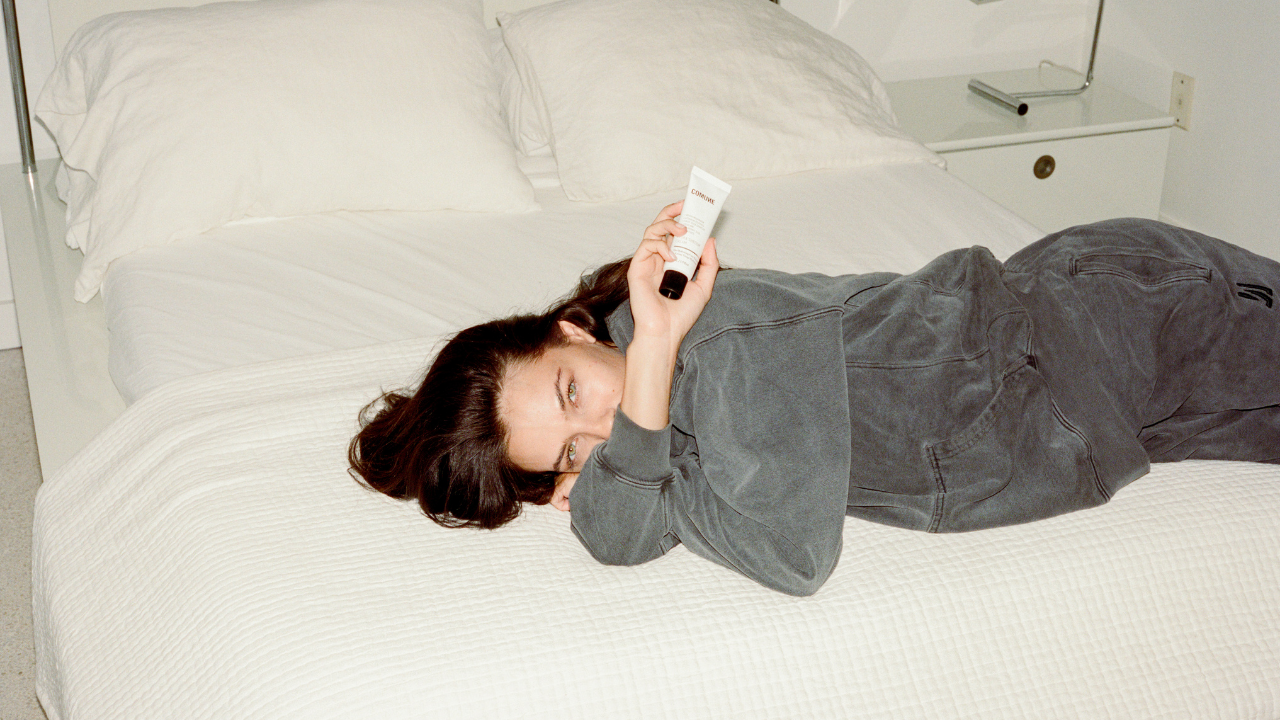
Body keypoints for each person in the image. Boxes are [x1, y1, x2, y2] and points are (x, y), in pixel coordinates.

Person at [349, 202, 1280, 595]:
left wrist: (654, 371)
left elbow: (796, 557)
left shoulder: (716, 338)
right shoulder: (653, 433)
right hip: (1106, 421)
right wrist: (621, 453)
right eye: (565, 457)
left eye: (572, 392)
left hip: (1102, 324)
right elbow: (618, 538)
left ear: (574, 332)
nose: (604, 427)